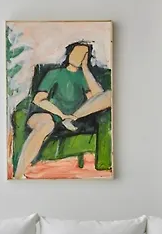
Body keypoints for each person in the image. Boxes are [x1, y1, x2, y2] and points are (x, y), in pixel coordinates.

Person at [14, 41, 112, 179]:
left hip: (73, 119)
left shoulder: (83, 77)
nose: (79, 56)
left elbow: (97, 98)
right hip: (48, 114)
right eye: (76, 52)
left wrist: (85, 68)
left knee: (109, 95)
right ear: (69, 53)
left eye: (83, 54)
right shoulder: (55, 73)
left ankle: (73, 117)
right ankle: (18, 174)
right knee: (46, 124)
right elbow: (39, 99)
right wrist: (61, 115)